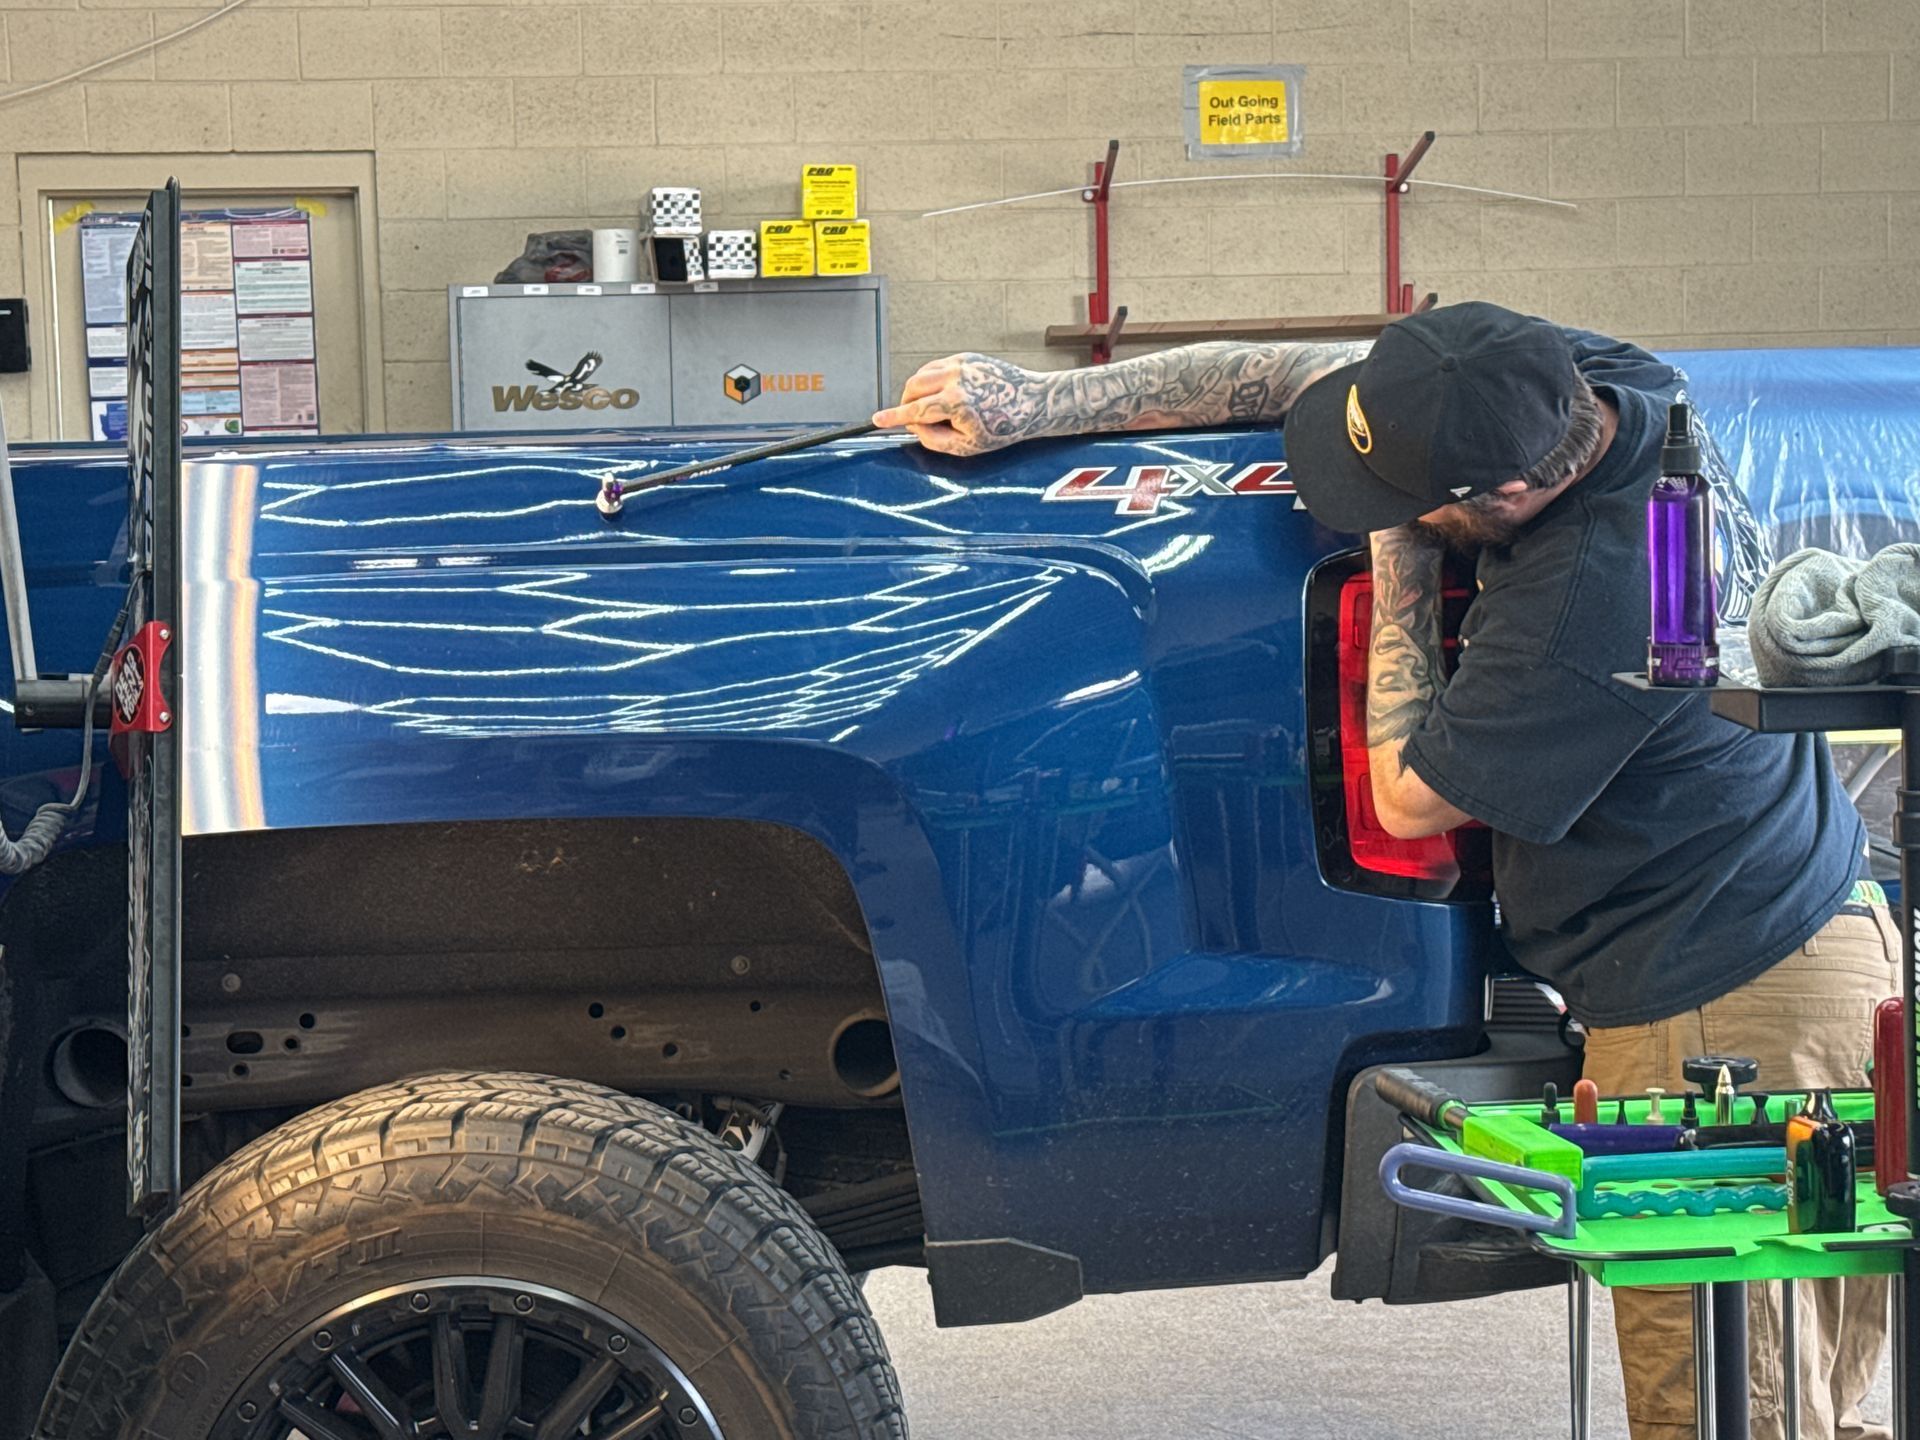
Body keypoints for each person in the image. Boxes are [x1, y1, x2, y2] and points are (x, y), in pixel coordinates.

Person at [872, 302, 1896, 1440]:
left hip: (1722, 1002)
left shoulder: (1590, 594)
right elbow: (1295, 367)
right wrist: (1036, 401)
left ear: (1507, 496)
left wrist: (1398, 546)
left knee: (1735, 1413)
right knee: (1809, 1399)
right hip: (1803, 944)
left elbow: (1410, 791)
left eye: (1411, 498)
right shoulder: (1591, 383)